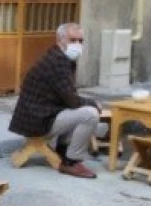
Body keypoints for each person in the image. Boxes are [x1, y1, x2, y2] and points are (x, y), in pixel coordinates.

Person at [9, 23, 101, 179]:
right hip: (37, 121)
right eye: (73, 40)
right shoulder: (57, 62)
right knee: (90, 114)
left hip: (38, 115)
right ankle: (71, 161)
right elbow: (72, 101)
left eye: (81, 41)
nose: (77, 45)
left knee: (79, 110)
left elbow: (68, 96)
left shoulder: (60, 57)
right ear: (60, 40)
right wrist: (93, 103)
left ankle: (63, 150)